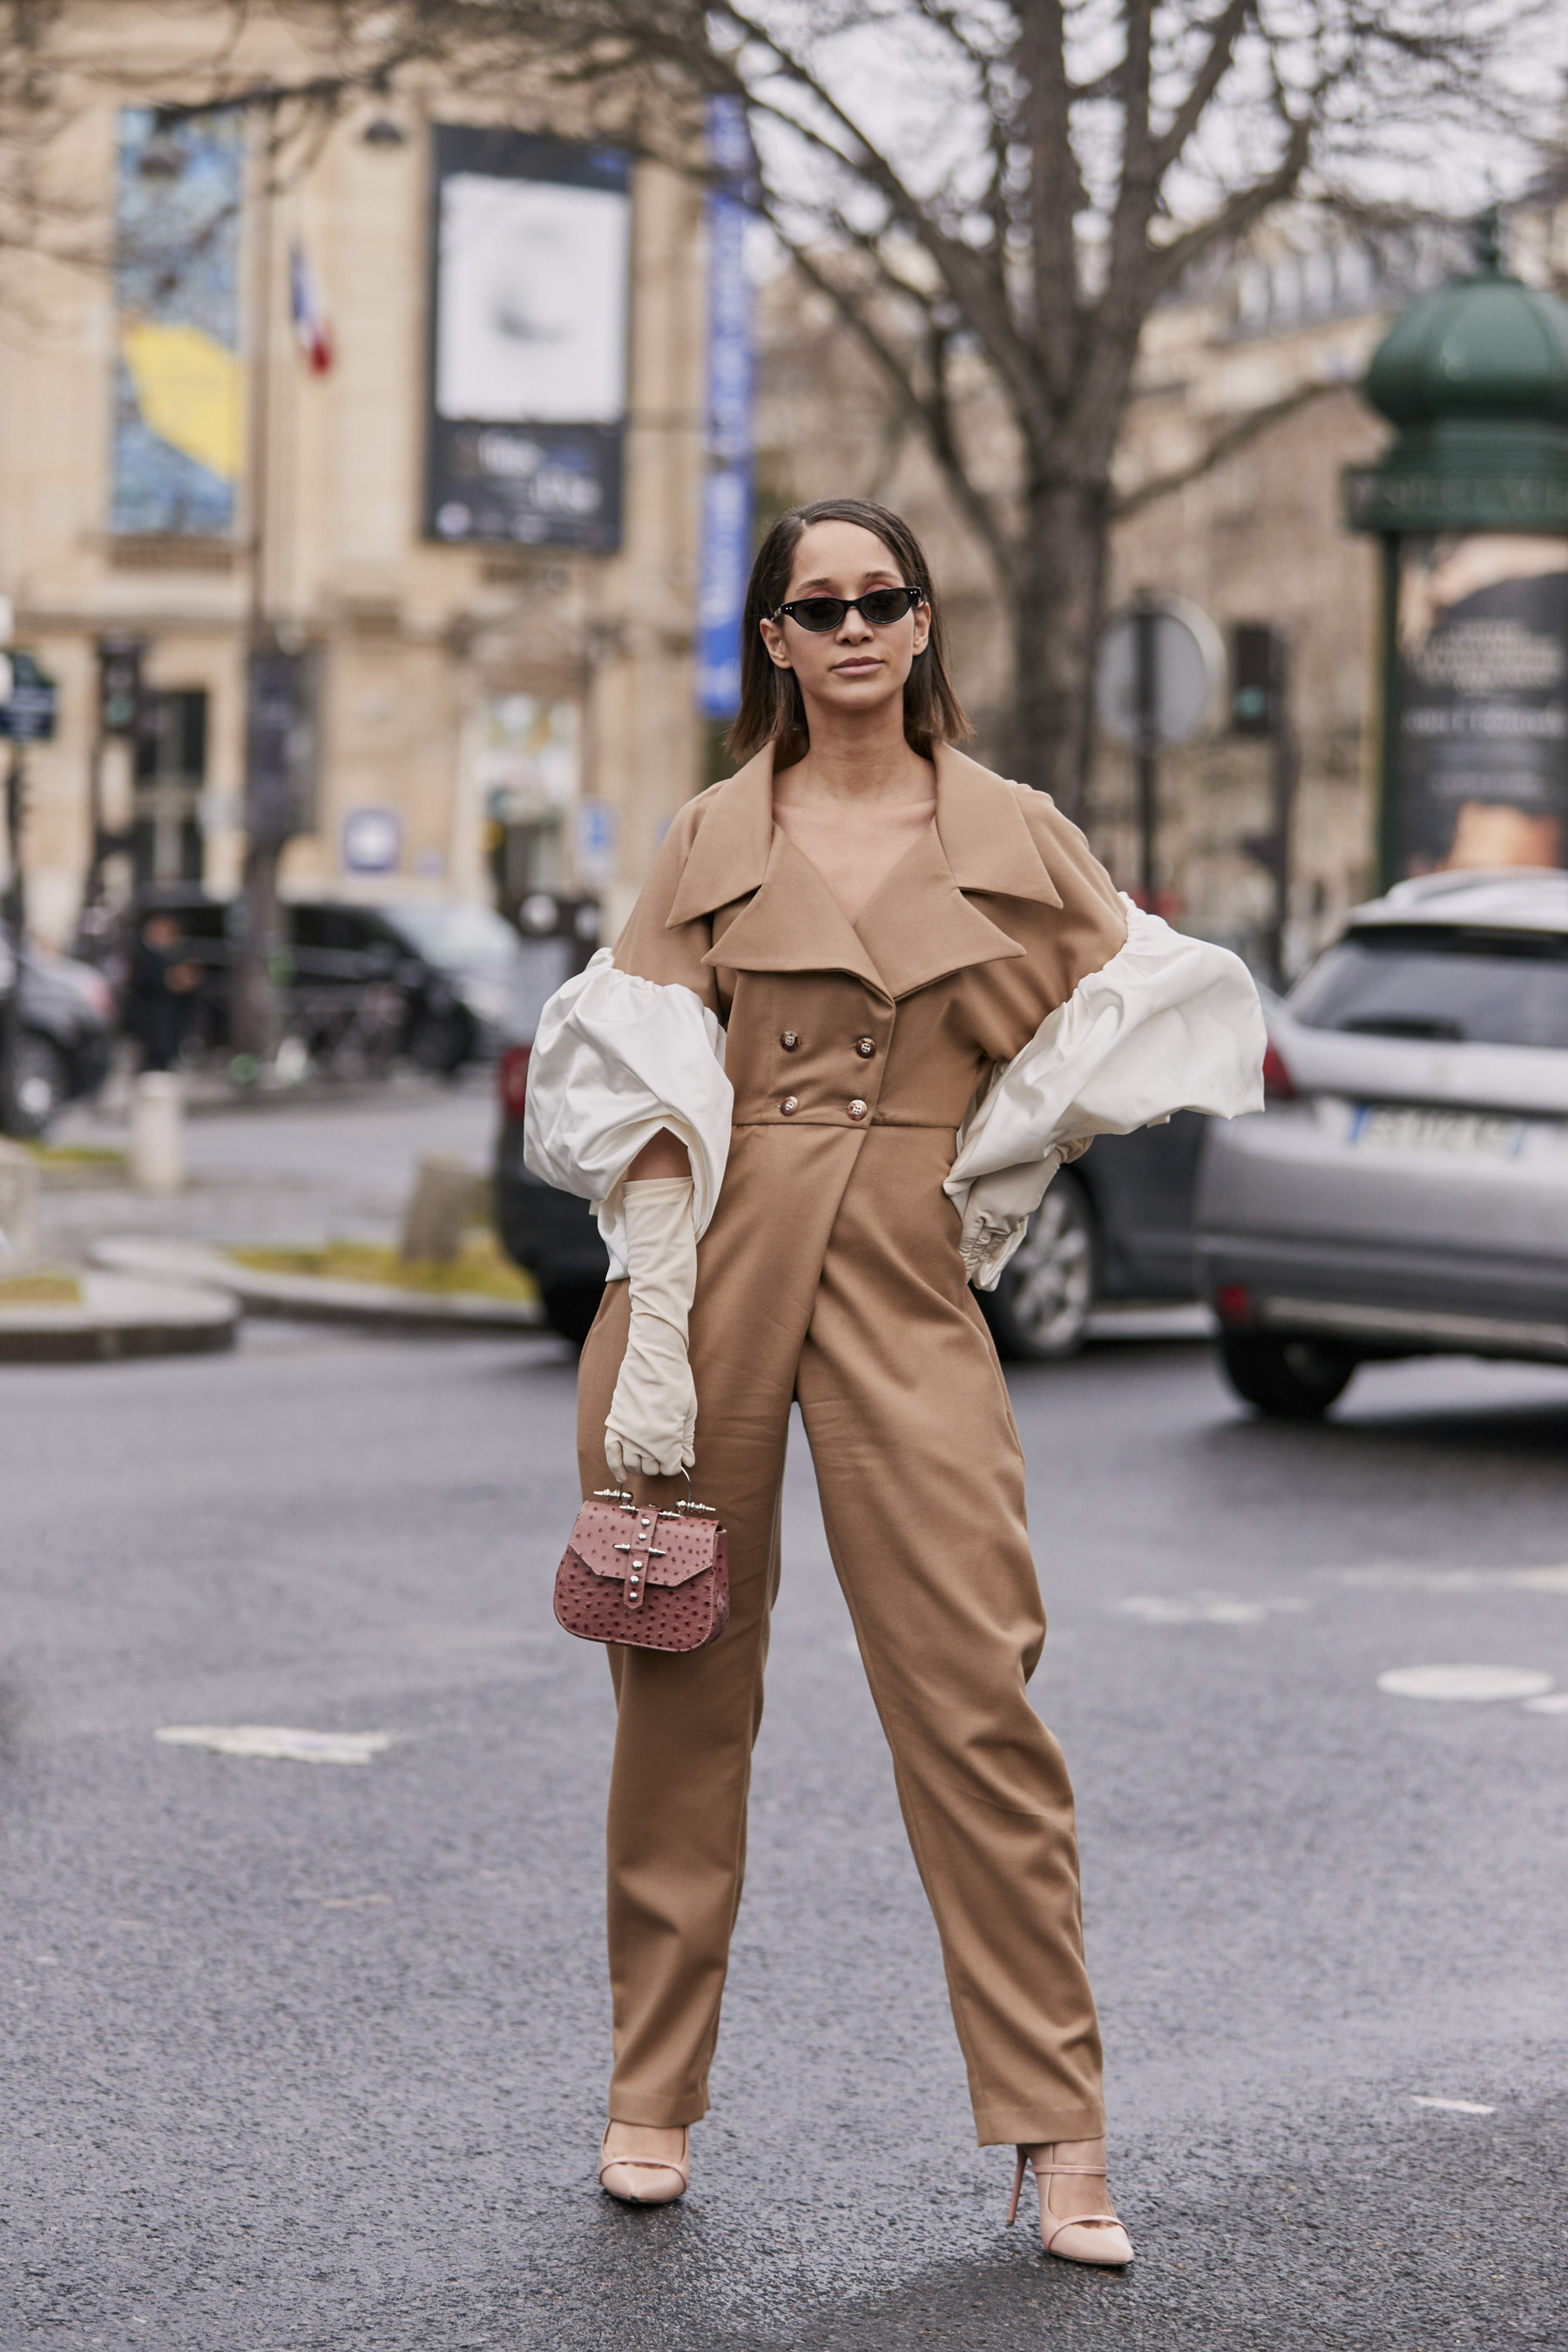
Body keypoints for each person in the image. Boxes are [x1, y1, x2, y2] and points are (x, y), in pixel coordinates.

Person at [524, 498, 1264, 2264]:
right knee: (678, 1703)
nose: (856, 627)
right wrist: (657, 1260)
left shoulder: (1019, 835)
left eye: (886, 599)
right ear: (774, 640)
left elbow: (1135, 1011)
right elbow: (626, 1064)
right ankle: (651, 2091)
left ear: (925, 626)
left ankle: (1058, 2131)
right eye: (819, 604)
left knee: (975, 1699)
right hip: (704, 1288)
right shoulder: (711, 834)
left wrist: (1001, 1159)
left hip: (905, 1285)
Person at [125, 913, 199, 1073]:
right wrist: (168, 980)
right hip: (150, 1014)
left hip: (169, 1014)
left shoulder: (172, 954)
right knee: (153, 1053)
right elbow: (140, 982)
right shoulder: (142, 954)